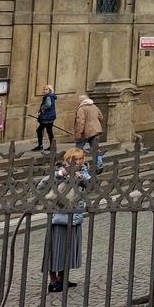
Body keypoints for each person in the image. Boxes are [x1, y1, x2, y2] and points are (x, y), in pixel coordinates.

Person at [43, 148, 90, 293]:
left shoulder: (83, 171)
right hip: (58, 216)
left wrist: (81, 179)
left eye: (80, 159)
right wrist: (61, 174)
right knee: (54, 249)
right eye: (74, 159)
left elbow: (90, 186)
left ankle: (63, 278)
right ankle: (53, 281)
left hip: (74, 216)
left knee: (69, 248)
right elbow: (42, 186)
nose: (78, 161)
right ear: (68, 159)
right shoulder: (59, 170)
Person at [72, 94, 103, 171]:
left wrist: (78, 134)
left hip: (86, 132)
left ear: (82, 101)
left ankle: (74, 163)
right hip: (95, 130)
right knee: (95, 148)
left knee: (78, 148)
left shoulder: (81, 109)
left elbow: (80, 122)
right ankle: (99, 164)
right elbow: (101, 117)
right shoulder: (94, 106)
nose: (77, 102)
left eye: (78, 100)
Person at [34, 85, 57, 152]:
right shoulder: (51, 96)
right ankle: (50, 145)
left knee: (42, 131)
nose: (44, 90)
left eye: (46, 89)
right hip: (50, 116)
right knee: (48, 131)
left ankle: (42, 145)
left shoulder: (48, 97)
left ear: (50, 90)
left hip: (47, 117)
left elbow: (48, 105)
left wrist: (42, 108)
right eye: (44, 89)